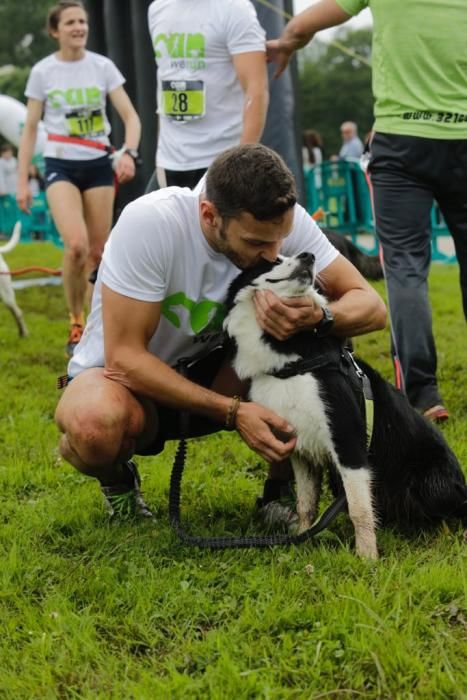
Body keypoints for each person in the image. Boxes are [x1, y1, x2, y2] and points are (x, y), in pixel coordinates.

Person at [55, 143, 386, 520]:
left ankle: (279, 492)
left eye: (281, 238)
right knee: (92, 427)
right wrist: (232, 412)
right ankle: (118, 481)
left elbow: (371, 307)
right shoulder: (151, 222)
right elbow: (124, 359)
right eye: (257, 242)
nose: (274, 252)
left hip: (223, 374)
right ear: (210, 215)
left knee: (310, 336)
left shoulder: (277, 223)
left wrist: (319, 317)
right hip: (128, 384)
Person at [266, 0, 467, 421]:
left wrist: (288, 40)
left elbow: (310, 20)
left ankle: (423, 395)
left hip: (401, 143)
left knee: (405, 269)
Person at [16, 0, 141, 357]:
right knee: (75, 245)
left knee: (99, 253)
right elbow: (28, 130)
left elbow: (131, 117)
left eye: (82, 22)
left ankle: (95, 328)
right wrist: (23, 180)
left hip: (99, 163)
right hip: (60, 164)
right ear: (55, 31)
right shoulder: (43, 71)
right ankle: (75, 318)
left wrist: (128, 152)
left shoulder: (102, 67)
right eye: (70, 22)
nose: (79, 28)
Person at [146, 0, 269, 190]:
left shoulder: (235, 9)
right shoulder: (157, 9)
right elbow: (165, 80)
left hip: (222, 161)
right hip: (169, 162)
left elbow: (256, 89)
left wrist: (242, 162)